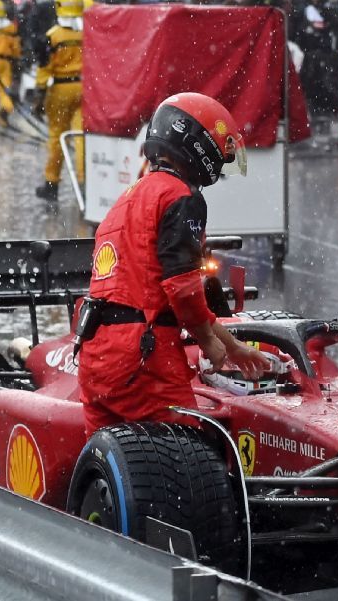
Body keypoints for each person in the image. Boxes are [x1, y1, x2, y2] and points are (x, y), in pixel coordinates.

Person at [77, 92, 267, 435]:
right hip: (145, 357)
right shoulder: (181, 196)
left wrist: (232, 344)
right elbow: (181, 288)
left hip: (98, 355)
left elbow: (152, 294)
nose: (220, 169)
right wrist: (209, 342)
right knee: (186, 454)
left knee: (112, 464)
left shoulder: (131, 196)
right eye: (220, 157)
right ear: (198, 145)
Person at [34, 0, 85, 201]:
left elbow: (44, 69)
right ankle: (85, 182)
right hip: (85, 89)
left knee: (57, 137)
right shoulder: (89, 33)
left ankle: (51, 183)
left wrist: (38, 97)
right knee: (82, 137)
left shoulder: (52, 36)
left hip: (60, 90)